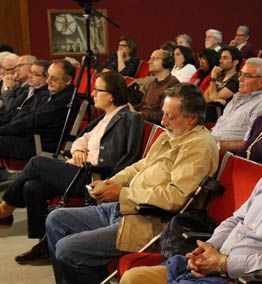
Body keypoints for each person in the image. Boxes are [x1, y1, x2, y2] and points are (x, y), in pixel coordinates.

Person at [120, 104, 262, 284]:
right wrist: (208, 249)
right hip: (215, 267)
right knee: (134, 278)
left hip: (240, 278)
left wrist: (222, 263)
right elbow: (237, 219)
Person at [46, 84, 219, 284]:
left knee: (68, 249)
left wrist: (122, 194)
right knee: (56, 219)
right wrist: (111, 183)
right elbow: (140, 166)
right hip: (124, 208)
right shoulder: (171, 134)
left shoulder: (198, 146)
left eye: (170, 117)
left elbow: (176, 197)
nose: (163, 121)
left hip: (148, 222)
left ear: (192, 119)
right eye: (163, 114)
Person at [0, 71, 144, 263]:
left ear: (110, 95)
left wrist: (88, 161)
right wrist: (78, 150)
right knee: (32, 186)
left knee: (36, 163)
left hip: (94, 176)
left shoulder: (127, 118)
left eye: (97, 90)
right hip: (81, 168)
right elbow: (82, 138)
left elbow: (119, 158)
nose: (92, 93)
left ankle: (5, 208)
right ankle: (44, 243)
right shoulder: (106, 116)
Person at [0, 60, 80, 160]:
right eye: (48, 76)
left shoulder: (66, 100)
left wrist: (2, 130)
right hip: (26, 137)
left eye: (53, 78)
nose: (47, 81)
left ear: (68, 80)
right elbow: (20, 112)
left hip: (38, 144)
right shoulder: (48, 92)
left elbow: (31, 121)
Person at [211, 58, 262, 152]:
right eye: (240, 74)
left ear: (261, 81)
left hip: (224, 154)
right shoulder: (237, 96)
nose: (240, 79)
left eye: (246, 76)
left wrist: (214, 144)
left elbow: (248, 143)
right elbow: (219, 127)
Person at [132, 49, 179, 124]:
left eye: (154, 59)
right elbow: (142, 105)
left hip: (153, 125)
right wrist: (129, 108)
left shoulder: (172, 84)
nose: (149, 62)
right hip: (142, 121)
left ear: (166, 62)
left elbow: (163, 115)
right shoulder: (153, 83)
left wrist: (140, 114)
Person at [0, 58, 47, 125]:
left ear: (46, 77)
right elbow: (13, 111)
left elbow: (11, 109)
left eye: (20, 65)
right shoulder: (27, 88)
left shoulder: (42, 94)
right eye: (30, 72)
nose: (16, 69)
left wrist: (8, 88)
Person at [204, 46, 242, 122]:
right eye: (221, 58)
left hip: (218, 117)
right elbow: (204, 96)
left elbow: (213, 100)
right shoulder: (220, 76)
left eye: (225, 58)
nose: (221, 61)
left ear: (235, 62)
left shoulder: (235, 81)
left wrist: (213, 77)